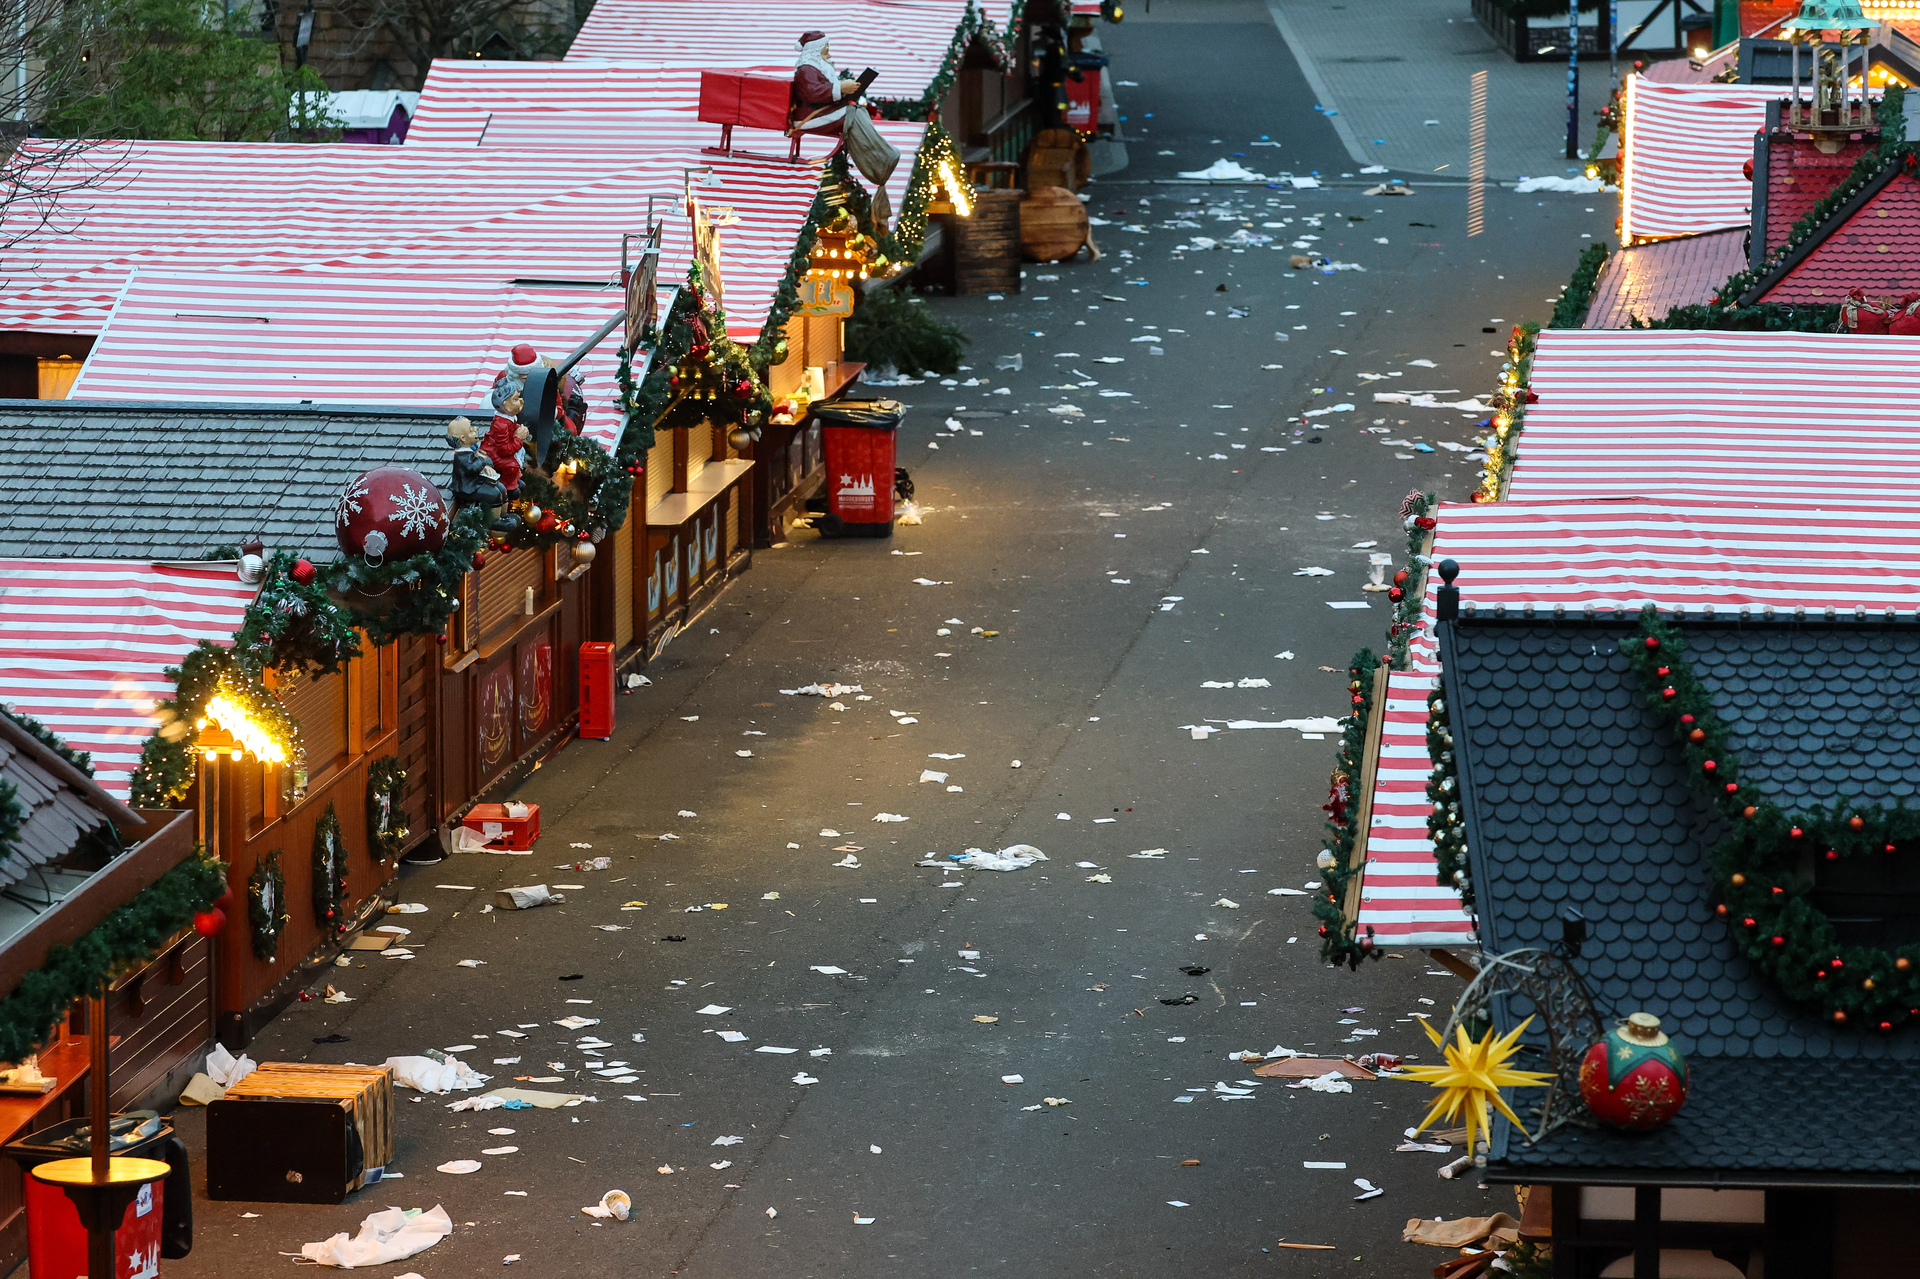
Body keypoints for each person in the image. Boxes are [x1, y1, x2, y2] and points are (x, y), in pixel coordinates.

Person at [792, 31, 861, 136]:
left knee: (858, 111)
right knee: (855, 114)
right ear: (815, 53)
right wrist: (840, 88)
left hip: (821, 111)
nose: (829, 56)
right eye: (825, 52)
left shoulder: (816, 69)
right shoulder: (807, 69)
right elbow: (814, 94)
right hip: (810, 117)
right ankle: (877, 150)